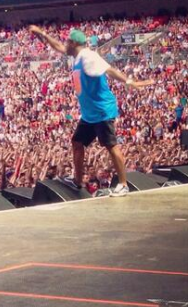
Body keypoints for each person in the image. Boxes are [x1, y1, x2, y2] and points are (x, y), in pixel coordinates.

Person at [28, 25, 155, 197]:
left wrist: (130, 82)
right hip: (89, 114)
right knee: (77, 143)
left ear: (73, 43)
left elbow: (110, 69)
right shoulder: (76, 55)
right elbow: (57, 46)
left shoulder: (88, 57)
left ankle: (123, 184)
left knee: (111, 146)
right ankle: (77, 181)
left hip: (102, 111)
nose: (64, 44)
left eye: (67, 41)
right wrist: (42, 34)